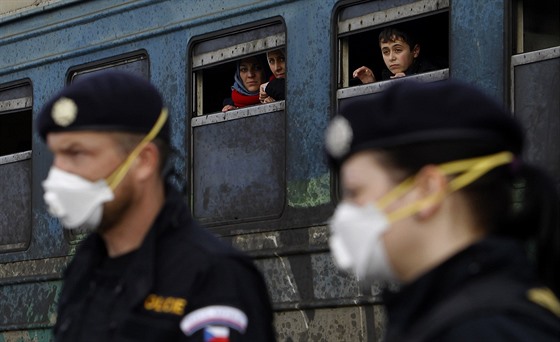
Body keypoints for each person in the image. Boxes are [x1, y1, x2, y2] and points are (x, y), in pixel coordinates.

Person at [37, 70, 275, 341]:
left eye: (76, 153)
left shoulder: (213, 277)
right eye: (57, 156)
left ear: (143, 161)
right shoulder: (83, 270)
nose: (58, 174)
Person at [324, 80, 560, 341]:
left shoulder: (481, 330)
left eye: (355, 192)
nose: (343, 214)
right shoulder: (462, 316)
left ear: (427, 191)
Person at [353, 27, 436, 84]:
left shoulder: (431, 74)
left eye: (398, 50)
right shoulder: (386, 75)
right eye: (386, 52)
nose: (391, 58)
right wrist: (371, 84)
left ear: (415, 51)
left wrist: (408, 83)